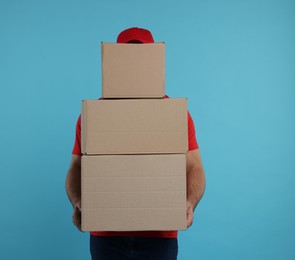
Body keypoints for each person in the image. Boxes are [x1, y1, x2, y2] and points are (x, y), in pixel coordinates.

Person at [66, 27, 206, 260]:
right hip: (106, 234)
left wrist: (189, 202)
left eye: (140, 57)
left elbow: (195, 167)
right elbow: (76, 168)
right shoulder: (93, 115)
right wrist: (79, 202)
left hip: (159, 235)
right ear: (115, 62)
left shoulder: (175, 114)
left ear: (153, 62)